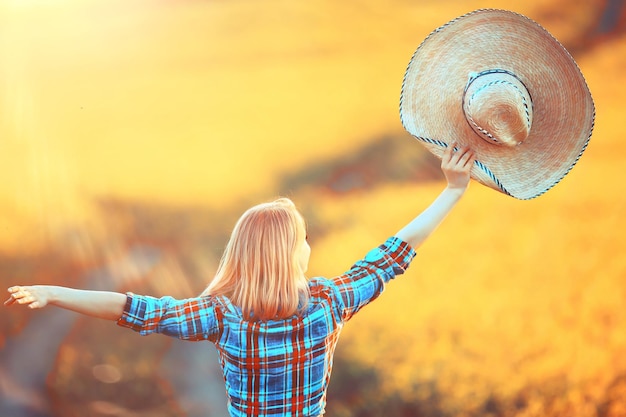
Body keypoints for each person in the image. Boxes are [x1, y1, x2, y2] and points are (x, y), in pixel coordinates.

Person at [5, 143, 475, 417]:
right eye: (304, 237)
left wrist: (53, 293)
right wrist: (453, 191)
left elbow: (132, 309)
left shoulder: (222, 317)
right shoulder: (331, 303)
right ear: (294, 253)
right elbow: (396, 252)